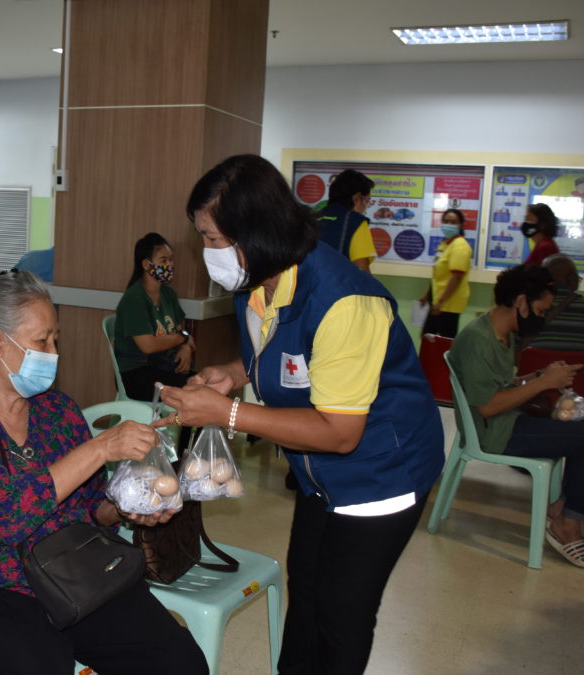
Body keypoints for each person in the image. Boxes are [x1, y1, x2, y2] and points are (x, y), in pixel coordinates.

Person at [159, 154, 444, 675]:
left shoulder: (343, 301)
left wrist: (227, 412)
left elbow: (340, 432)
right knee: (308, 590)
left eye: (215, 239)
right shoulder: (261, 285)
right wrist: (234, 373)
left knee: (342, 613)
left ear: (259, 232)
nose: (208, 253)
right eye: (203, 237)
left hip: (378, 473)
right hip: (319, 475)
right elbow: (289, 356)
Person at [0, 269, 207, 675]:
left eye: (55, 339)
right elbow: (4, 518)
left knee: (179, 662)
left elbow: (90, 511)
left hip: (76, 572)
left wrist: (126, 507)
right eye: (41, 341)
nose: (54, 351)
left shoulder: (58, 411)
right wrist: (101, 446)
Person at [448, 265, 584, 569]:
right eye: (541, 310)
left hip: (509, 421)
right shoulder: (479, 340)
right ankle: (567, 523)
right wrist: (543, 383)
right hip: (494, 433)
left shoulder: (502, 332)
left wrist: (539, 375)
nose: (543, 317)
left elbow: (500, 385)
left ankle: (565, 509)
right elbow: (487, 406)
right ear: (522, 302)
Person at [113, 232, 195, 401]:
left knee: (202, 383)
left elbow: (181, 331)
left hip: (163, 367)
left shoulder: (168, 295)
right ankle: (182, 427)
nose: (170, 265)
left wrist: (185, 348)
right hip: (135, 374)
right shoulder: (134, 299)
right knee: (193, 391)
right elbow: (148, 345)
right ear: (145, 264)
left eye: (171, 260)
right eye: (164, 261)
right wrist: (182, 339)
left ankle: (185, 427)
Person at [526, 254, 584, 354]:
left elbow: (517, 355)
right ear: (572, 280)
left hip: (536, 369)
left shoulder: (527, 309)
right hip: (581, 369)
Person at [419, 208, 472, 338]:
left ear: (460, 225)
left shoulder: (460, 246)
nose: (449, 225)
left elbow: (456, 277)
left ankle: (440, 359)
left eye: (453, 222)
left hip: (448, 303)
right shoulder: (445, 244)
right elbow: (439, 274)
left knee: (444, 340)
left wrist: (440, 303)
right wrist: (427, 295)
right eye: (446, 221)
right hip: (438, 299)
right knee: (428, 336)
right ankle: (427, 359)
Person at [314, 168, 377, 271]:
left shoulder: (312, 218)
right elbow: (361, 272)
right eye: (367, 200)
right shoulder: (355, 222)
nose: (366, 206)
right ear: (356, 198)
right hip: (337, 285)